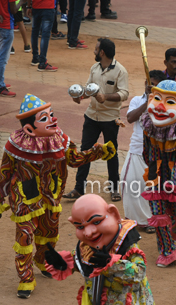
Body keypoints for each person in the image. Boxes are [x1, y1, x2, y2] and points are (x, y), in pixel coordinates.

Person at [0, 94, 116, 299]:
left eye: (52, 115)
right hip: (24, 199)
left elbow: (75, 159)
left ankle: (42, 261)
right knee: (24, 237)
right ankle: (25, 278)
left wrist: (98, 152)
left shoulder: (60, 139)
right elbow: (5, 171)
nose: (53, 120)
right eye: (45, 118)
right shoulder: (16, 144)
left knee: (48, 233)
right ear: (29, 129)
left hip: (51, 195)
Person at [43, 194, 168, 305]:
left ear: (114, 214)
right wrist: (63, 263)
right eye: (80, 227)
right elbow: (85, 262)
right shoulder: (87, 246)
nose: (88, 232)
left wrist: (112, 264)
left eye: (96, 222)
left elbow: (139, 273)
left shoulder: (126, 242)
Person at [64, 38, 129, 202]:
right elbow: (88, 88)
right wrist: (80, 96)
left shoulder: (120, 71)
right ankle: (79, 188)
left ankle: (114, 188)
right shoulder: (95, 68)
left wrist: (104, 96)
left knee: (111, 153)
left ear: (102, 52)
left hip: (110, 118)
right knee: (85, 151)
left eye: (96, 49)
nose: (93, 51)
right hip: (92, 116)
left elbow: (124, 93)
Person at [140, 80, 176, 268]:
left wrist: (175, 185)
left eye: (170, 102)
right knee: (158, 210)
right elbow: (148, 154)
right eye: (157, 99)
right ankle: (167, 251)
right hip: (156, 170)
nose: (161, 106)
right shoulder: (149, 124)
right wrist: (154, 181)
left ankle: (174, 229)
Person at [120, 70, 166, 234]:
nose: (150, 86)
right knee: (128, 183)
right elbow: (131, 118)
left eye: (154, 84)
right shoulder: (137, 100)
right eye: (149, 83)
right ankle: (133, 220)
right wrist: (146, 101)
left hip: (155, 151)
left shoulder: (164, 103)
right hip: (137, 148)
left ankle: (150, 220)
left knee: (151, 187)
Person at [26, 0, 58, 71]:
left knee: (35, 32)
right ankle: (42, 62)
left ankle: (35, 57)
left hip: (36, 6)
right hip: (48, 7)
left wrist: (28, 6)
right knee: (45, 35)